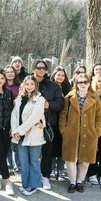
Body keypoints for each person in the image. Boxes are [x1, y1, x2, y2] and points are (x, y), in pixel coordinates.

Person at [59, 73, 101, 193]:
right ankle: (72, 182)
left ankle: (80, 181)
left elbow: (100, 116)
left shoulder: (95, 98)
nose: (82, 84)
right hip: (71, 132)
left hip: (89, 133)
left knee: (85, 159)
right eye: (80, 82)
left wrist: (97, 131)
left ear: (89, 83)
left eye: (85, 82)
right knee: (70, 159)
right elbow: (63, 114)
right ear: (76, 84)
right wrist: (63, 129)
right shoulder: (69, 97)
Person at [32, 60, 64, 190]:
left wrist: (49, 105)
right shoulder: (28, 82)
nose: (41, 70)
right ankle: (33, 177)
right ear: (33, 68)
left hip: (48, 124)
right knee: (32, 153)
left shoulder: (54, 86)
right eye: (38, 68)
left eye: (43, 68)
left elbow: (61, 103)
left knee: (47, 153)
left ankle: (45, 176)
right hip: (31, 124)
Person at [11, 75, 46, 195]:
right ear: (23, 85)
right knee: (23, 161)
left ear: (36, 86)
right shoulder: (19, 99)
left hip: (33, 134)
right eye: (27, 84)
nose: (29, 86)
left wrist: (20, 130)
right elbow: (14, 116)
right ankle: (25, 184)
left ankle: (33, 185)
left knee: (34, 161)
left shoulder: (40, 99)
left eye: (32, 84)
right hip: (20, 136)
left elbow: (34, 118)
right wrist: (15, 131)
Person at [50, 66, 72, 180]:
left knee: (63, 146)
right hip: (52, 120)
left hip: (64, 121)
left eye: (63, 75)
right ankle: (52, 169)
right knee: (53, 146)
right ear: (54, 76)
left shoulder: (68, 89)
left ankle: (60, 169)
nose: (60, 77)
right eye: (58, 74)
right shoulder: (49, 87)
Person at [4, 64, 21, 180]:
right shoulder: (1, 85)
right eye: (8, 71)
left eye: (12, 71)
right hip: (4, 118)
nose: (10, 73)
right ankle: (8, 166)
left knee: (15, 145)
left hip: (16, 118)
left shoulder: (19, 87)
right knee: (6, 145)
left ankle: (17, 169)